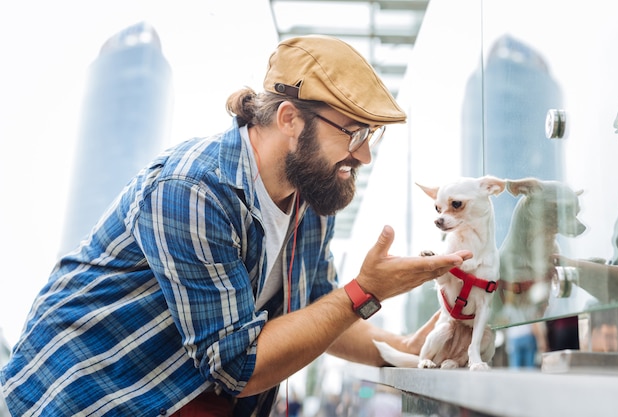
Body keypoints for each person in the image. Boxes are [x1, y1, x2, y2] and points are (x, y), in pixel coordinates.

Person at [0, 35, 470, 417]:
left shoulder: (311, 202)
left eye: (373, 135)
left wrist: (404, 347)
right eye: (354, 133)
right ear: (289, 118)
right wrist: (366, 290)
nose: (364, 155)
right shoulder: (193, 188)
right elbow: (237, 366)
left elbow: (321, 314)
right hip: (82, 398)